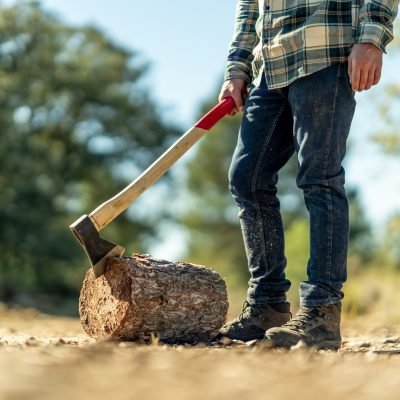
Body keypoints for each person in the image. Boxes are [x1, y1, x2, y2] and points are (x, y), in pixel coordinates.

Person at [217, 0, 398, 349]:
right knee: (246, 178)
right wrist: (236, 68)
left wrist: (372, 36)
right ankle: (267, 303)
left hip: (324, 49)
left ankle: (321, 312)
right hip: (270, 63)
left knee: (320, 177)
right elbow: (248, 7)